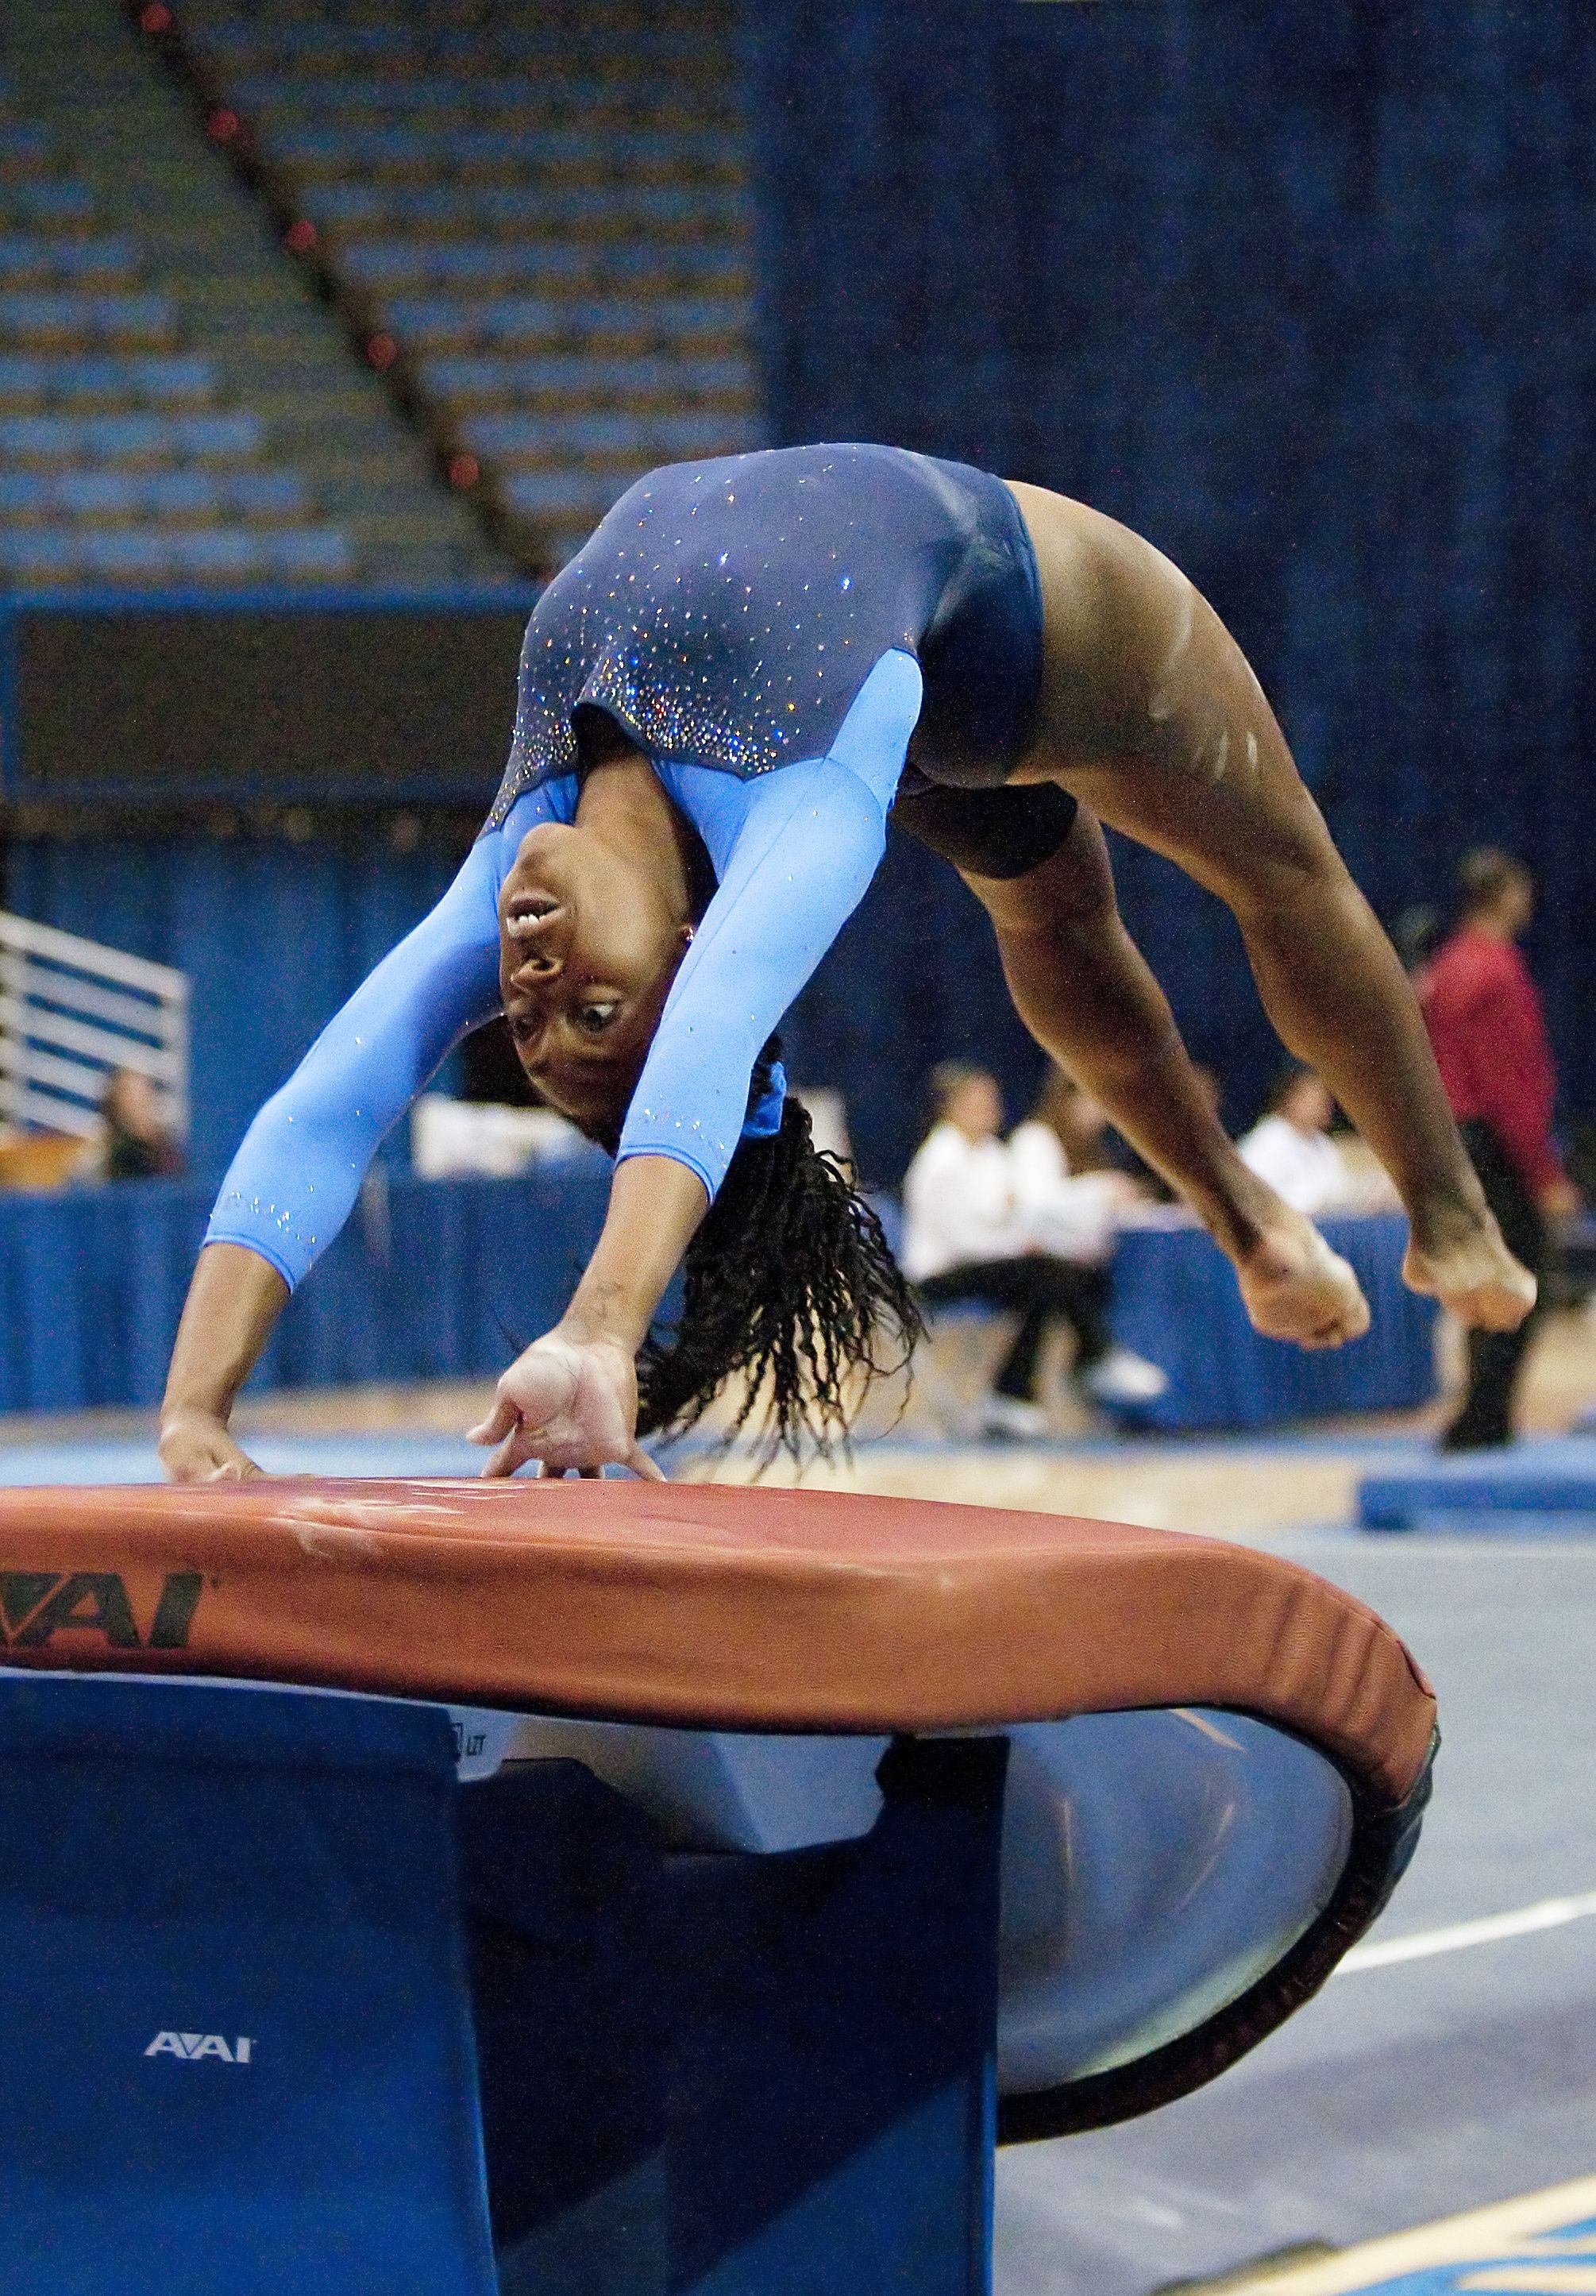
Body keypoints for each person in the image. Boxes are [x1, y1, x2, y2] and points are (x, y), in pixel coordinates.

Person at [157, 445, 1533, 1484]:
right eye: (592, 1006)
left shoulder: (521, 850)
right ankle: (1390, 1220)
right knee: (1237, 877)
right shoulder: (799, 818)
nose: (525, 981)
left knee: (1088, 905)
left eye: (531, 1023)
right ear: (689, 957)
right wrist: (599, 1328)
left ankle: (1305, 1226)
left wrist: (197, 1404)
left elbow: (329, 1098)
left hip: (915, 642)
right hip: (1041, 625)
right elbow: (713, 1040)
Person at [902, 1063, 1162, 1434]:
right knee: (1045, 1271)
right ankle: (1093, 1357)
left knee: (1057, 1282)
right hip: (940, 1274)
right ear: (951, 1107)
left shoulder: (993, 1154)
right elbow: (962, 1241)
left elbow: (1015, 1215)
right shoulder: (941, 1160)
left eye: (992, 1099)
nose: (991, 1107)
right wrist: (1021, 1245)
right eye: (979, 1100)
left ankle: (1013, 1393)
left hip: (989, 1264)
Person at [1422, 850, 1577, 1449]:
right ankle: (1485, 1419)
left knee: (1481, 1272)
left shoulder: (1444, 967)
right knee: (1519, 1275)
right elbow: (1509, 1078)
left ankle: (1478, 1415)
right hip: (1494, 1141)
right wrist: (1542, 1169)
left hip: (1453, 1139)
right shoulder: (1494, 970)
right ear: (1505, 896)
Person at [1238, 1064, 1355, 1217]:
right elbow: (1251, 1201)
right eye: (1314, 1098)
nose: (1323, 1105)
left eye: (1325, 1098)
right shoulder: (1266, 1142)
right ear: (1291, 1099)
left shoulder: (1322, 1143)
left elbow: (1337, 1195)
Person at [100, 1068, 183, 1180]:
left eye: (144, 1095)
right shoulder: (117, 1153)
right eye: (131, 1098)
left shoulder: (167, 1146)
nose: (139, 1102)